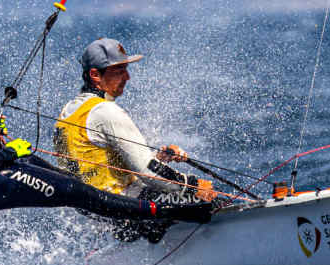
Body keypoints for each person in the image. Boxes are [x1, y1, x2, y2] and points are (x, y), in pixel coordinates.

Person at [0, 66, 211, 233]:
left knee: (79, 190)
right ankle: (165, 213)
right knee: (75, 191)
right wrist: (7, 153)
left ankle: (131, 225)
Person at [54, 38, 218, 210]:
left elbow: (93, 164)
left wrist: (158, 158)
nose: (127, 77)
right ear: (95, 75)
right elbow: (148, 172)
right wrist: (192, 185)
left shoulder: (69, 110)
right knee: (211, 200)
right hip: (126, 208)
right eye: (119, 70)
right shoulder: (105, 111)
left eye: (126, 69)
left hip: (94, 211)